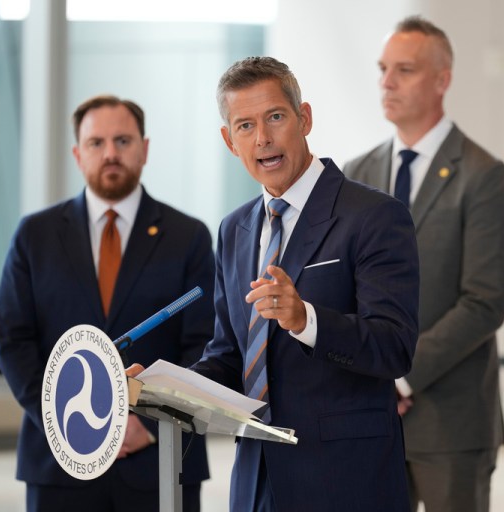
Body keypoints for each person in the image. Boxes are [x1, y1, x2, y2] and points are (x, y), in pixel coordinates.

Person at [129, 56, 420, 511]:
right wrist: (161, 388)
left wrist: (305, 319)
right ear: (229, 140)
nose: (262, 138)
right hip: (256, 479)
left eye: (276, 117)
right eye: (245, 126)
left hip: (346, 481)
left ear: (304, 119)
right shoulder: (234, 229)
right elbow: (228, 358)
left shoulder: (374, 216)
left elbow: (395, 347)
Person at [0, 95, 215, 512]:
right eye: (96, 143)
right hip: (58, 464)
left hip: (161, 463)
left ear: (144, 149)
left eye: (123, 140)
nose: (110, 153)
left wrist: (150, 424)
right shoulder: (34, 236)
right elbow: (11, 340)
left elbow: (205, 345)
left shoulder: (189, 237)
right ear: (78, 154)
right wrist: (69, 427)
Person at [343, 16, 504, 512]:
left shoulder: (483, 175)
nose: (386, 82)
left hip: (450, 424)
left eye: (404, 70)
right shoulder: (358, 172)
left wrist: (398, 374)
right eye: (382, 69)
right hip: (368, 418)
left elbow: (484, 301)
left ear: (442, 80)